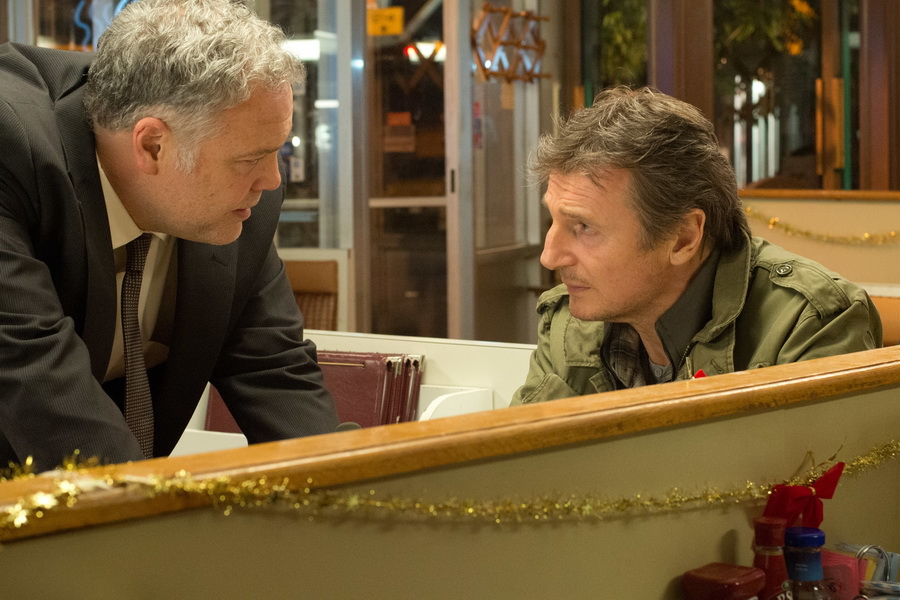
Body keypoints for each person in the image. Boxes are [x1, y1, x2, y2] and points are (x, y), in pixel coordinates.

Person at [0, 0, 341, 471]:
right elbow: (31, 368)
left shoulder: (240, 204)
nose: (272, 181)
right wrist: (155, 511)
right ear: (152, 145)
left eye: (275, 152)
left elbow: (274, 369)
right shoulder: (10, 148)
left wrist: (360, 493)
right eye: (249, 159)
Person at [511, 87, 882, 405]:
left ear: (684, 238)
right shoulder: (567, 321)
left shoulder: (809, 325)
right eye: (553, 221)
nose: (550, 256)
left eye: (584, 227)